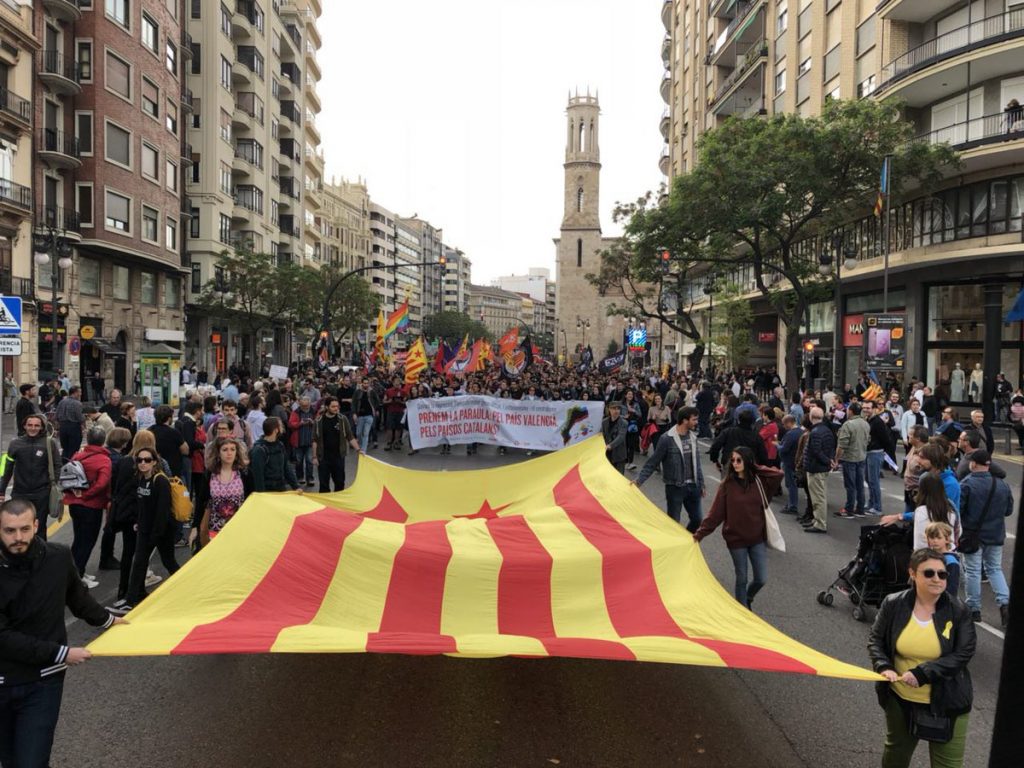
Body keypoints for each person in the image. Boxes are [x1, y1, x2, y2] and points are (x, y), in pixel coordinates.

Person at [0, 499, 125, 768]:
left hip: (43, 682)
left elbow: (78, 598)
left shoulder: (58, 557)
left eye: (24, 529)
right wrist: (62, 653)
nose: (18, 537)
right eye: (9, 531)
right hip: (4, 680)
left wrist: (109, 621)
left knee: (32, 762)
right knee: (9, 760)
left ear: (37, 525)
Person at [868, 548, 976, 768]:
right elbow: (876, 641)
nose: (937, 579)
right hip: (901, 700)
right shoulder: (893, 603)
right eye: (929, 573)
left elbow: (963, 653)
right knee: (895, 757)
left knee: (948, 764)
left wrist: (922, 673)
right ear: (913, 573)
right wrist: (883, 666)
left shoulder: (959, 611)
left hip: (947, 703)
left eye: (942, 574)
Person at [693, 446, 783, 610]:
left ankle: (748, 597)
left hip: (757, 538)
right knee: (741, 578)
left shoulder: (759, 481)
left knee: (761, 578)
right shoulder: (727, 485)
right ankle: (741, 612)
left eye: (739, 460)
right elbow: (715, 514)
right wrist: (699, 535)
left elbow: (778, 474)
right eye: (733, 460)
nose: (735, 463)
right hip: (736, 540)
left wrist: (755, 468)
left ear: (748, 461)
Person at [110, 445, 179, 615]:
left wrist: (155, 535)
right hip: (145, 530)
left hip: (160, 532)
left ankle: (185, 587)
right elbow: (142, 506)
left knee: (168, 561)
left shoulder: (160, 481)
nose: (143, 463)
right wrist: (138, 523)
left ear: (154, 462)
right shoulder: (141, 478)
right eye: (139, 460)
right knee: (139, 563)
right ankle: (131, 599)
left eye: (147, 460)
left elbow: (162, 511)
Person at [958, 450, 1012, 628]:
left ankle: (974, 609)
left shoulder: (966, 484)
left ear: (973, 464)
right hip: (995, 534)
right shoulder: (1002, 485)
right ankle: (1005, 604)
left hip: (973, 536)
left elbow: (959, 511)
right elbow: (1008, 511)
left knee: (973, 571)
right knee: (994, 569)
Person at [633, 406, 706, 533]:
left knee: (697, 520)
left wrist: (702, 483)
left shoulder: (693, 437)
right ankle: (676, 547)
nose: (696, 422)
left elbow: (696, 463)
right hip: (675, 487)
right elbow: (653, 462)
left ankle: (686, 540)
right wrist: (639, 481)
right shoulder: (667, 439)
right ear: (684, 420)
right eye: (694, 419)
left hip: (694, 486)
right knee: (673, 524)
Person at [0, 415, 62, 540]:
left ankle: (40, 555)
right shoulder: (15, 444)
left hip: (41, 494)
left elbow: (57, 465)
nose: (33, 428)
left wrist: (51, 485)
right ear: (24, 426)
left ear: (41, 427)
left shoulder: (49, 443)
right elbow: (7, 469)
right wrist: (1, 490)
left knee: (39, 527)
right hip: (20, 493)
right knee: (19, 526)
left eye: (36, 425)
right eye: (30, 425)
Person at [64, 428, 112, 586]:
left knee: (79, 539)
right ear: (103, 440)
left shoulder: (78, 455)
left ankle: (75, 572)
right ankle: (78, 577)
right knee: (87, 541)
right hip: (92, 505)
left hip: (73, 502)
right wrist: (88, 494)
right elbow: (102, 483)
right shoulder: (104, 459)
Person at [201, 438, 250, 543]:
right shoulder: (210, 474)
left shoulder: (244, 473)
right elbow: (202, 501)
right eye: (225, 450)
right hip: (215, 528)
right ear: (218, 453)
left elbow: (253, 498)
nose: (229, 453)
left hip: (239, 527)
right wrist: (195, 527)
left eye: (232, 449)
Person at [802, 407, 835, 534]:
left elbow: (816, 451)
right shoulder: (827, 430)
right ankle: (817, 520)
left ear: (811, 417)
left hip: (816, 468)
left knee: (818, 498)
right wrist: (830, 460)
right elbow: (830, 447)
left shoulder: (815, 432)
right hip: (823, 468)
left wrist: (827, 461)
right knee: (820, 495)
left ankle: (820, 523)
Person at [835, 401, 870, 519]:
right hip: (861, 456)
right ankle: (860, 508)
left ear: (850, 411)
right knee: (860, 484)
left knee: (850, 485)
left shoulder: (848, 425)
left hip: (850, 458)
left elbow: (842, 444)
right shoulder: (865, 424)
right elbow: (868, 440)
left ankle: (849, 508)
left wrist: (836, 459)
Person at [250, 418, 303, 494]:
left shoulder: (280, 445)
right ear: (276, 430)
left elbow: (287, 467)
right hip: (267, 491)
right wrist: (261, 495)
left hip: (280, 488)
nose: (282, 427)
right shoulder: (259, 450)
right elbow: (258, 476)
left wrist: (296, 486)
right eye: (280, 425)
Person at [865, 400, 897, 516]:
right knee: (869, 479)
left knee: (874, 481)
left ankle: (877, 507)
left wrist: (882, 450)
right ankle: (871, 503)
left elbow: (886, 439)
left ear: (874, 409)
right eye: (864, 408)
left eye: (868, 408)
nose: (865, 410)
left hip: (876, 453)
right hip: (869, 452)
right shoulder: (869, 420)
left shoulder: (878, 422)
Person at [149, 405, 188, 479]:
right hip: (172, 471)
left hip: (153, 469)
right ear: (169, 418)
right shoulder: (174, 432)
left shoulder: (149, 430)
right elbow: (185, 450)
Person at [926, 522, 961, 599]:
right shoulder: (928, 556)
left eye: (939, 538)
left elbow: (952, 586)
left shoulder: (950, 561)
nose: (935, 541)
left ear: (947, 540)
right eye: (932, 537)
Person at [777, 414, 803, 516]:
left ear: (789, 423)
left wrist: (777, 445)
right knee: (792, 484)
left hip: (789, 461)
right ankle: (791, 504)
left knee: (791, 484)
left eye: (784, 424)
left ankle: (792, 506)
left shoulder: (790, 434)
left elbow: (784, 448)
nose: (783, 426)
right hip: (796, 461)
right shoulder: (801, 432)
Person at [288, 396, 317, 487]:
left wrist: (312, 422)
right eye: (303, 401)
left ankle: (310, 478)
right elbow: (291, 424)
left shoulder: (314, 411)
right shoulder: (295, 412)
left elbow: (318, 423)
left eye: (307, 400)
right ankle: (300, 477)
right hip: (298, 441)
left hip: (310, 441)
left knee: (309, 461)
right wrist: (300, 423)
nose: (305, 403)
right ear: (300, 403)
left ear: (309, 402)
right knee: (299, 461)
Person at [54, 385, 85, 462]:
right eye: (80, 392)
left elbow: (56, 416)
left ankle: (64, 464)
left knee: (65, 449)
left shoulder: (62, 402)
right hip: (74, 428)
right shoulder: (77, 403)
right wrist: (84, 423)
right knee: (74, 449)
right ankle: (71, 466)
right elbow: (80, 418)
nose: (81, 394)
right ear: (75, 393)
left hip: (63, 427)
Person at [351, 378, 380, 454]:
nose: (366, 385)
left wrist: (376, 409)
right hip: (360, 415)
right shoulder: (357, 392)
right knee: (358, 433)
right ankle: (360, 446)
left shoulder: (372, 392)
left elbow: (378, 401)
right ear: (362, 383)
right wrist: (354, 413)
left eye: (367, 383)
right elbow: (353, 402)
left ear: (369, 384)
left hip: (369, 415)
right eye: (364, 383)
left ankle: (363, 450)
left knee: (366, 433)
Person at [602, 401, 627, 474]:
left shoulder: (624, 422)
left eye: (618, 409)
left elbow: (621, 437)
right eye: (614, 408)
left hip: (619, 455)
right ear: (609, 409)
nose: (616, 411)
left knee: (619, 477)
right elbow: (602, 435)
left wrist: (610, 445)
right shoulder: (604, 422)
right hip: (607, 454)